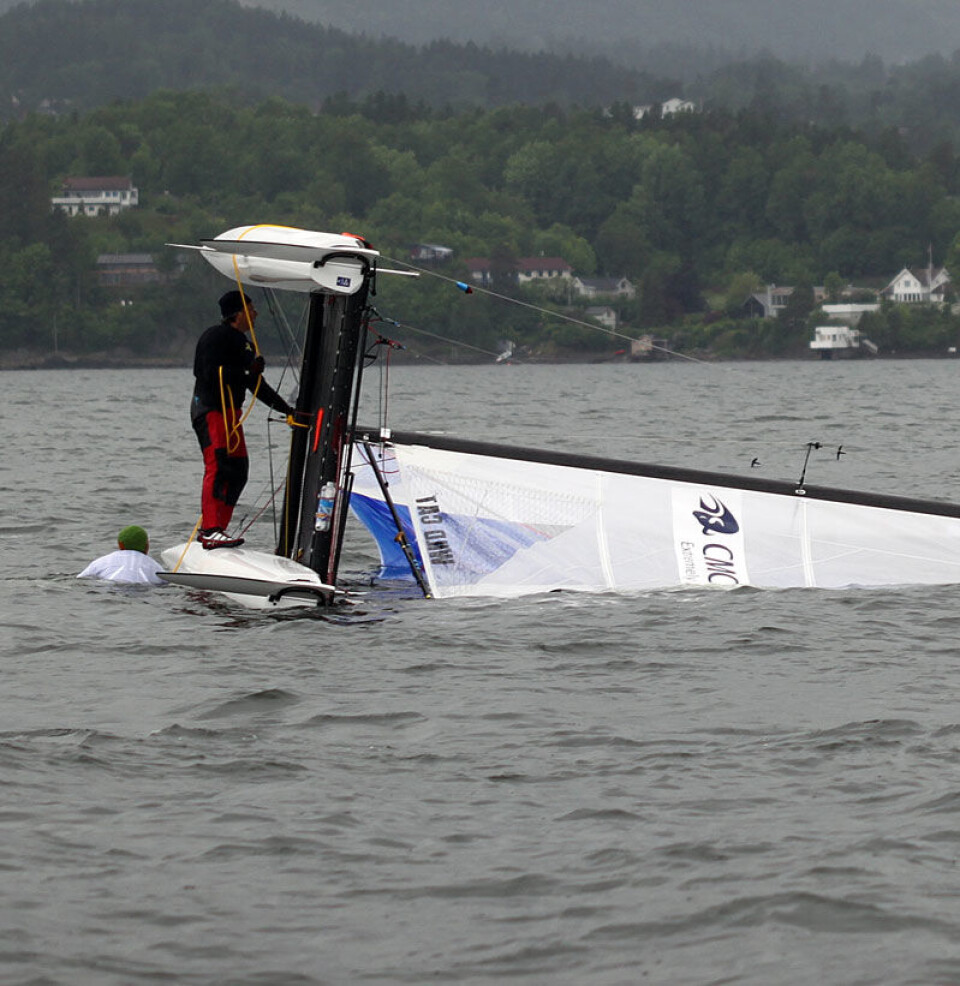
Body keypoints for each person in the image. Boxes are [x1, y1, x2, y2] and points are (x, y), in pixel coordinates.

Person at [191, 289, 294, 549]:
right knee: (218, 465)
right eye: (251, 308)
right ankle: (210, 530)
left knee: (238, 471)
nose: (256, 313)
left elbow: (255, 384)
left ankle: (219, 529)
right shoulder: (214, 337)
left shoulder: (244, 343)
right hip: (211, 410)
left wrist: (287, 410)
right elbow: (207, 372)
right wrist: (247, 369)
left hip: (232, 415)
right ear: (239, 312)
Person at [78, 525, 165, 585]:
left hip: (108, 587)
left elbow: (81, 579)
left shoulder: (102, 561)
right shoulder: (155, 567)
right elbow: (166, 582)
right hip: (142, 590)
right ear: (147, 546)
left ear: (120, 544)